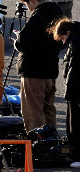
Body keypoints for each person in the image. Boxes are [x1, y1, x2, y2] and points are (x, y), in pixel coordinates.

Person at [14, 0, 64, 132]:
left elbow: (24, 42)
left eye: (27, 4)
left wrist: (18, 39)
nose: (28, 9)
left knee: (33, 112)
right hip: (50, 71)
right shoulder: (57, 13)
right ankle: (52, 143)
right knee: (49, 110)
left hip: (34, 73)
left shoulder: (38, 16)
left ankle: (38, 147)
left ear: (33, 1)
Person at [50, 18, 80, 167]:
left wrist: (70, 91)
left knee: (75, 123)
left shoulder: (75, 42)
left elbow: (74, 69)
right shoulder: (76, 38)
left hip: (76, 90)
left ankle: (77, 156)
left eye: (63, 38)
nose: (63, 42)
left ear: (68, 32)